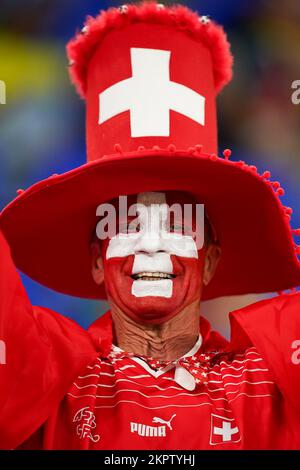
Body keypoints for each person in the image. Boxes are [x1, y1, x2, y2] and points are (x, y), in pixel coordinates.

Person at [1, 2, 300, 450]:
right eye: (127, 224)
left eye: (178, 224)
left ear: (212, 258)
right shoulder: (47, 376)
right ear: (97, 261)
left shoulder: (274, 378)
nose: (152, 244)